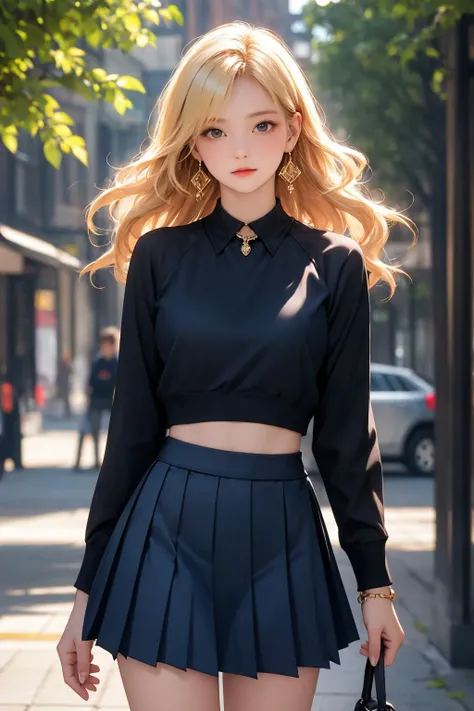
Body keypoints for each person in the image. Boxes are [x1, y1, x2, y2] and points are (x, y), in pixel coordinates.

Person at [57, 22, 413, 711]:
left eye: (260, 123)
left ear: (294, 127)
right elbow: (129, 433)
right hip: (163, 526)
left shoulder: (334, 264)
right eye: (216, 130)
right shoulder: (159, 257)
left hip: (281, 528)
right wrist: (84, 592)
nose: (240, 148)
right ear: (192, 141)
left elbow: (347, 440)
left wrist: (376, 584)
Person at [73, 328, 119, 471]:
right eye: (103, 346)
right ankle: (84, 461)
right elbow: (90, 382)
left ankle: (113, 460)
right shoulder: (97, 362)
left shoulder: (117, 363)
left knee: (118, 430)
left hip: (111, 400)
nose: (106, 349)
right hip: (96, 400)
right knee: (88, 428)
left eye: (108, 346)